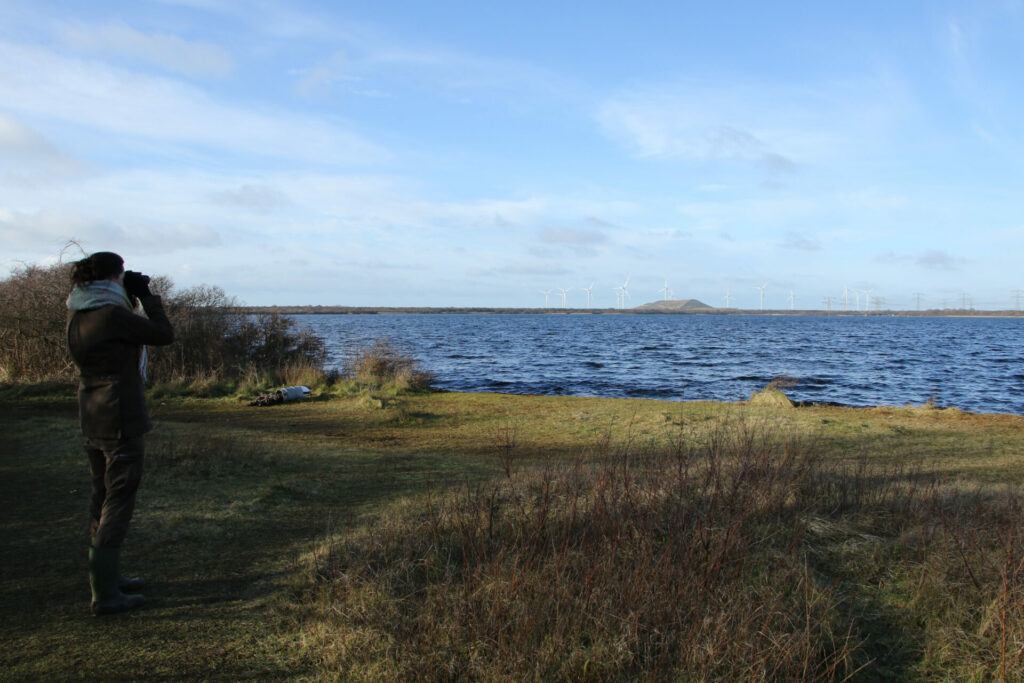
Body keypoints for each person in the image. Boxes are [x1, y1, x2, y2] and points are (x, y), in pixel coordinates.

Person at [66, 252, 174, 616]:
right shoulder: (113, 316)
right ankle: (106, 594)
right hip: (120, 416)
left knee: (101, 496)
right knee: (119, 499)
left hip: (92, 413)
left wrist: (130, 295)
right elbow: (163, 334)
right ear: (114, 277)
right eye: (123, 275)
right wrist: (146, 296)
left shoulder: (78, 316)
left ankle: (105, 579)